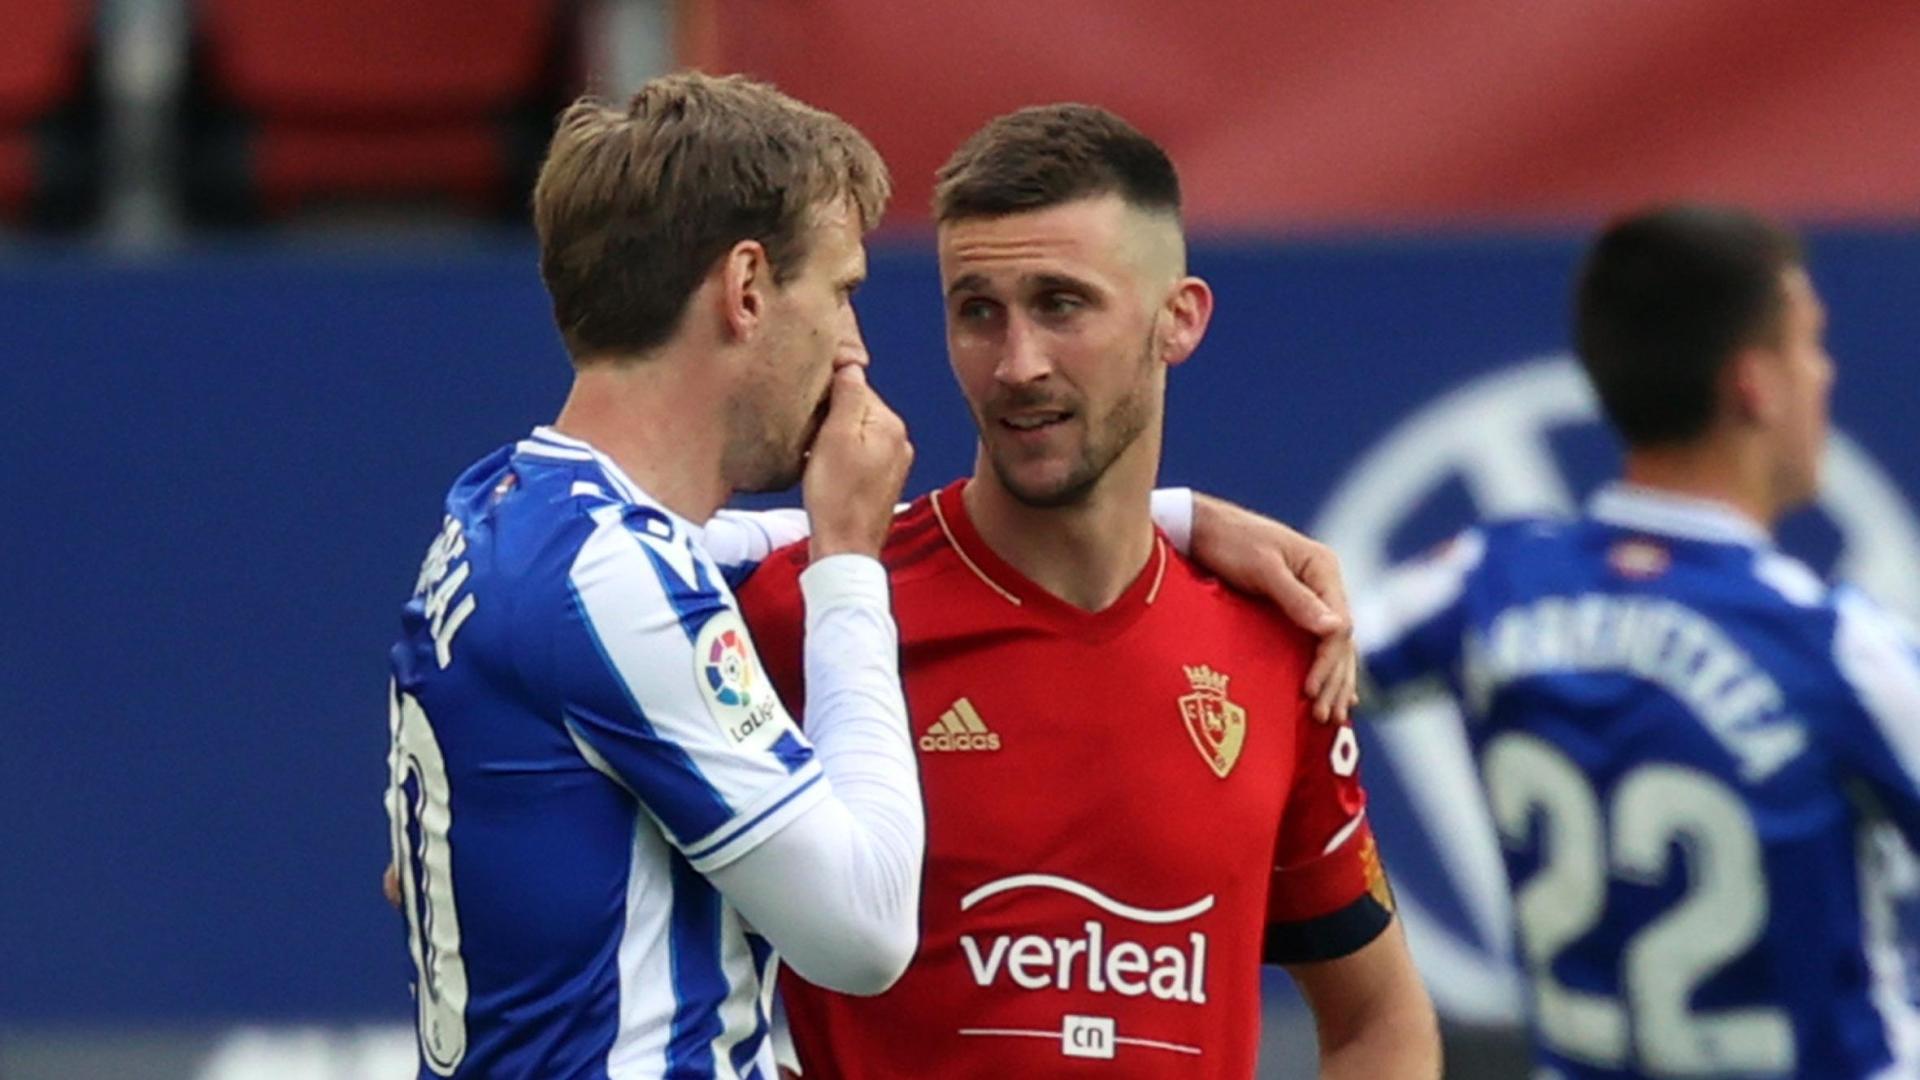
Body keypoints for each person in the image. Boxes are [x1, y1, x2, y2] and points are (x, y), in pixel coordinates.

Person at [735, 104, 1440, 1079]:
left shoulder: (1272, 646)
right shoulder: (810, 614)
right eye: (978, 310)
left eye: (1062, 305)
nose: (1017, 364)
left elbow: (1377, 1025)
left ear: (1178, 318)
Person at [383, 73, 928, 1079]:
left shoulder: (508, 508)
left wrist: (1166, 522)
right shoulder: (609, 584)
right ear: (749, 288)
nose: (856, 348)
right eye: (843, 291)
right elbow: (865, 930)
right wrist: (849, 572)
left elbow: (758, 544)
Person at [1358, 204, 1920, 1078]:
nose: (1824, 374)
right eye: (1809, 342)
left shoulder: (1484, 582)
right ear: (1754, 385)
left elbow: (1268, 665)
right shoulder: (1834, 650)